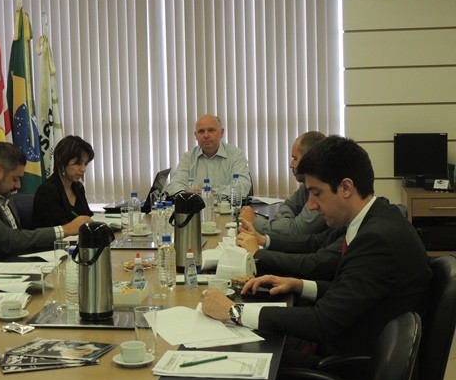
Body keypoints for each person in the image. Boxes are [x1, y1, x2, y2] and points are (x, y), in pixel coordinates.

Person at [202, 135, 431, 366]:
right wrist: (299, 285)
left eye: (317, 193)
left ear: (346, 187)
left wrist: (234, 311)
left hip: (349, 366)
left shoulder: (376, 241)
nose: (311, 205)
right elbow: (351, 292)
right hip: (352, 345)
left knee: (234, 355)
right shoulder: (378, 217)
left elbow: (322, 321)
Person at [0, 142, 91, 263]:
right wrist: (65, 229)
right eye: (15, 179)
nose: (19, 185)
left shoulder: (2, 192)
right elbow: (9, 240)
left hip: (17, 263)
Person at [241, 131, 327, 236]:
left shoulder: (323, 190)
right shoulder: (306, 186)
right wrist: (285, 224)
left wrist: (255, 221)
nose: (291, 164)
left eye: (295, 158)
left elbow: (297, 230)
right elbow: (288, 206)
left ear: (309, 160)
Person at [165, 114, 252, 197]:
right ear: (196, 135)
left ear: (221, 133)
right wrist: (187, 192)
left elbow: (243, 186)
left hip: (228, 207)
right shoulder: (188, 157)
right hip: (196, 206)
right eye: (201, 131)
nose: (206, 135)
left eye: (211, 130)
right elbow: (174, 186)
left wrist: (207, 193)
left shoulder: (236, 155)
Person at [33, 135, 95, 228]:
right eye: (78, 163)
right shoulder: (46, 191)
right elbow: (60, 229)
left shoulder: (78, 187)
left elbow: (87, 216)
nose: (83, 169)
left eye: (85, 164)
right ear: (62, 162)